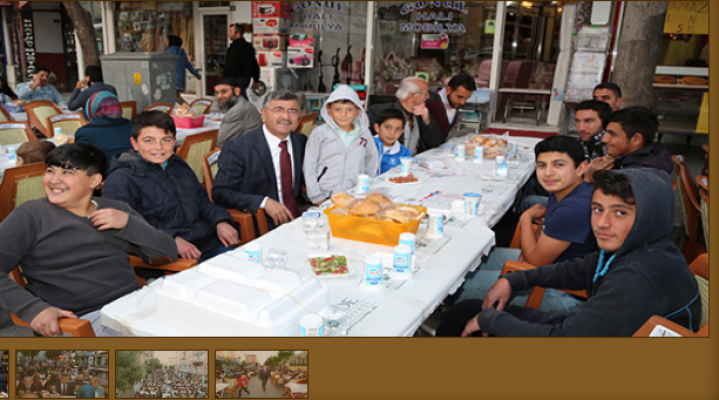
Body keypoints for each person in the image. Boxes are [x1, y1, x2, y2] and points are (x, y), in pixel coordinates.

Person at [437, 169, 701, 337]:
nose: (602, 223)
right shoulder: (644, 246)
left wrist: (492, 321)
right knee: (467, 311)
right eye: (598, 209)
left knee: (467, 317)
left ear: (649, 217)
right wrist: (515, 279)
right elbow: (578, 269)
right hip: (599, 328)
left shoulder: (636, 278)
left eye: (620, 212)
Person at [0, 143, 177, 336]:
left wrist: (128, 224)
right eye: (50, 171)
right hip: (82, 320)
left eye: (67, 172)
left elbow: (167, 253)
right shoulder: (31, 215)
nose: (54, 180)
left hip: (133, 304)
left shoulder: (116, 209)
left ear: (94, 181)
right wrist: (33, 310)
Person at [456, 136, 597, 312]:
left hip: (565, 293)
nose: (548, 173)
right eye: (541, 165)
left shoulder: (573, 208)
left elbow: (535, 261)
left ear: (580, 168)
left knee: (456, 288)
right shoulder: (566, 191)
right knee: (464, 263)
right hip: (553, 269)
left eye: (559, 165)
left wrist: (525, 218)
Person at [103, 111, 240, 266]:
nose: (158, 147)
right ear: (134, 143)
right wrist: (170, 241)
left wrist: (220, 221)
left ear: (174, 141)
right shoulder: (121, 180)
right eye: (149, 141)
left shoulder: (178, 165)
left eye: (166, 140)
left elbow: (201, 200)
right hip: (167, 256)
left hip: (205, 242)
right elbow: (129, 227)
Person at [212, 90, 307, 231]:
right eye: (278, 110)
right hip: (262, 221)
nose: (286, 117)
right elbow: (221, 193)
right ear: (263, 114)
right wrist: (263, 202)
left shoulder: (300, 141)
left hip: (300, 216)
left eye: (292, 111)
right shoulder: (239, 147)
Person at [303, 85, 379, 205]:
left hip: (355, 195)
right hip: (326, 195)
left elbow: (372, 161)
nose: (343, 114)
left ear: (358, 111)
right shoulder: (320, 133)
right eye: (337, 109)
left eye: (349, 110)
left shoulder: (365, 134)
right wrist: (317, 197)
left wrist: (366, 188)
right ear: (329, 110)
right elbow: (309, 165)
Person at [584, 107, 673, 182]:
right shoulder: (656, 155)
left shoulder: (630, 178)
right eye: (606, 133)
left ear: (636, 139)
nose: (604, 139)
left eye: (612, 134)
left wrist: (589, 178)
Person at [367, 76, 444, 155]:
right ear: (412, 96)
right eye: (426, 93)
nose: (428, 97)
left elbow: (436, 143)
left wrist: (427, 120)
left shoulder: (421, 114)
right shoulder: (379, 111)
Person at [74, 91, 133, 172]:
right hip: (139, 174)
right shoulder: (134, 125)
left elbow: (81, 164)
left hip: (105, 179)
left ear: (92, 108)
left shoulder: (85, 132)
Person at [214, 77, 262, 148]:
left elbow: (220, 142)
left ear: (237, 91)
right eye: (217, 93)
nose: (220, 96)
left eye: (224, 92)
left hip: (242, 153)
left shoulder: (236, 112)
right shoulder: (246, 104)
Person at [425, 73, 476, 139]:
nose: (463, 102)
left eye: (467, 98)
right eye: (460, 97)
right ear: (448, 90)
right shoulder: (429, 103)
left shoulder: (454, 103)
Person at [224, 23, 260, 100]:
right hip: (246, 78)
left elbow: (231, 64)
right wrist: (256, 79)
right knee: (240, 96)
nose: (228, 33)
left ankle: (245, 111)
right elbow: (254, 63)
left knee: (239, 98)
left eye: (231, 31)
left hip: (236, 77)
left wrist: (226, 78)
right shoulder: (248, 46)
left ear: (238, 33)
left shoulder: (234, 47)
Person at [372, 108, 411, 175]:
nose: (392, 133)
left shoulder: (404, 153)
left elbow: (405, 175)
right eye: (388, 127)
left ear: (402, 132)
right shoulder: (365, 146)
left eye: (398, 129)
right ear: (377, 128)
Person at [165, 35, 201, 106]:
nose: (165, 42)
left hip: (172, 77)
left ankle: (189, 109)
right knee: (176, 95)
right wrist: (197, 75)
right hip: (180, 78)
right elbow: (189, 65)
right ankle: (184, 109)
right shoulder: (182, 53)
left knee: (175, 97)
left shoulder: (168, 52)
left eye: (167, 40)